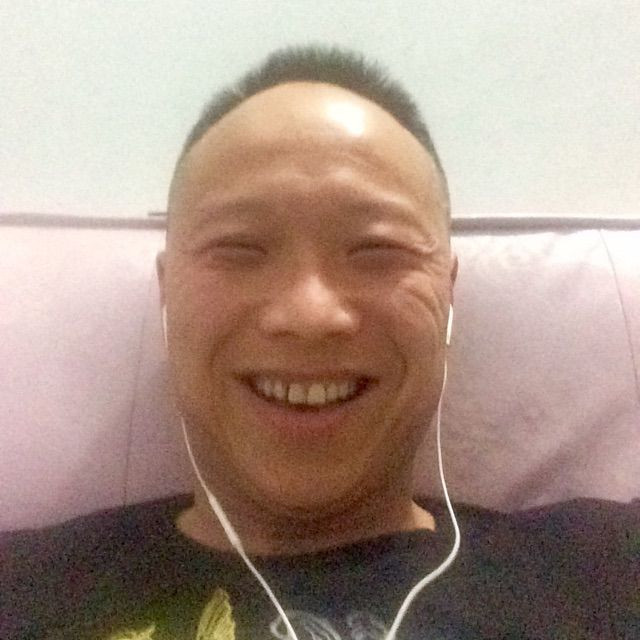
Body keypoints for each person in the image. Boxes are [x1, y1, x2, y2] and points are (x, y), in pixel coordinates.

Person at [1, 45, 637, 640]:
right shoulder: (22, 589)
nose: (309, 315)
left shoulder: (606, 569)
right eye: (239, 248)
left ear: (448, 297)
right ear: (168, 297)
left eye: (377, 249)